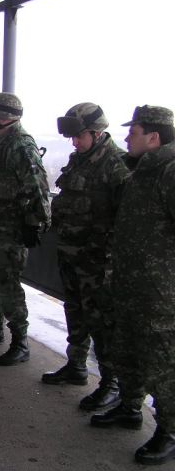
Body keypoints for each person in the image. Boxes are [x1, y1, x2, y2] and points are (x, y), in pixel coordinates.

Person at [92, 105, 175, 465]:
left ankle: (169, 431)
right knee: (126, 351)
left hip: (160, 293)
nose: (126, 138)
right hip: (130, 284)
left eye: (134, 132)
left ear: (154, 137)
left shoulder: (169, 172)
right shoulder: (142, 170)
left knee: (162, 363)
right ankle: (129, 408)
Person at [41, 103, 130, 412]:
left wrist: (109, 261)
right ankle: (76, 366)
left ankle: (111, 383)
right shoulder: (79, 161)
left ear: (97, 132)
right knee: (75, 313)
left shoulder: (117, 166)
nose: (74, 142)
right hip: (72, 255)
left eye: (79, 136)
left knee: (102, 324)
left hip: (98, 263)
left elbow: (126, 221)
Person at [0, 93, 51, 366]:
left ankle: (20, 342)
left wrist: (35, 223)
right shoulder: (0, 142)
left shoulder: (21, 145)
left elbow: (38, 187)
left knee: (8, 283)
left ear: (4, 116)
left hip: (12, 229)